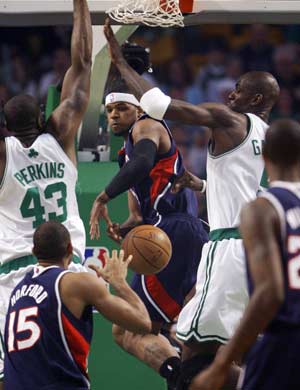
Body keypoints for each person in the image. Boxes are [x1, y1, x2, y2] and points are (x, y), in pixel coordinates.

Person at [103, 19, 280, 388]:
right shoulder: (276, 140)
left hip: (229, 249)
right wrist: (199, 183)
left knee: (192, 347)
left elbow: (158, 104)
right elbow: (253, 188)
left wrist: (120, 64)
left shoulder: (229, 119)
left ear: (257, 100)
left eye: (239, 91)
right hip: (264, 253)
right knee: (239, 348)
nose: (230, 95)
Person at [0, 0, 93, 384]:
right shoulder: (61, 136)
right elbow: (83, 63)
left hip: (13, 276)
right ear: (43, 116)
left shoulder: (4, 156)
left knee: (11, 373)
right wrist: (80, 4)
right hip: (67, 269)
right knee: (67, 368)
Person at [89, 90, 208, 389]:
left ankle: (181, 377)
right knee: (184, 324)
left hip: (173, 232)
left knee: (128, 326)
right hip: (178, 234)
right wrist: (125, 232)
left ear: (138, 109)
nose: (114, 114)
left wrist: (103, 197)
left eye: (122, 108)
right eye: (109, 110)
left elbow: (142, 162)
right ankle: (192, 372)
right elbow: (139, 219)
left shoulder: (148, 125)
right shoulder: (123, 156)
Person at [190, 118, 300, 390]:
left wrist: (221, 364)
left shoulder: (262, 209)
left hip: (285, 342)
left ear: (263, 157)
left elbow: (270, 292)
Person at [4, 220, 151, 390]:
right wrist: (119, 283)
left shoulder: (17, 293)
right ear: (70, 249)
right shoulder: (74, 283)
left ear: (34, 252)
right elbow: (143, 323)